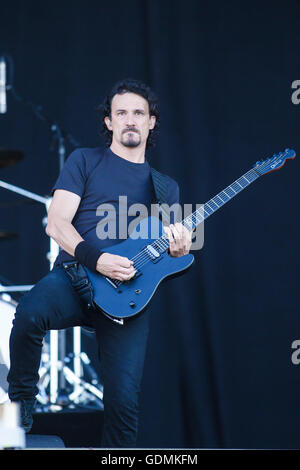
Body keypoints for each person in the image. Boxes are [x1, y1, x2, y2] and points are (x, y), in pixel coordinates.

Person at [7, 78, 193, 448]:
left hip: (128, 295)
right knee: (29, 314)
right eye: (120, 112)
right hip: (76, 277)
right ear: (108, 121)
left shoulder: (166, 187)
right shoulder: (84, 161)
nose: (129, 120)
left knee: (125, 404)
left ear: (151, 122)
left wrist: (179, 251)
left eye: (138, 113)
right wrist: (99, 259)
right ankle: (22, 400)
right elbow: (56, 224)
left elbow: (169, 256)